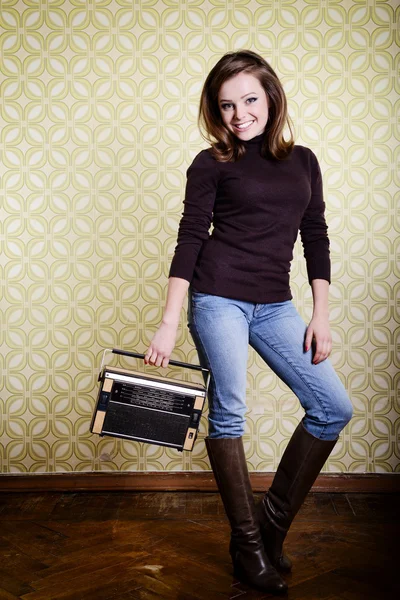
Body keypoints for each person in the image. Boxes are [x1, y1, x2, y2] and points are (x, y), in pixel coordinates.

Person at [144, 50, 353, 596]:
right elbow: (191, 238)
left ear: (272, 98)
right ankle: (247, 548)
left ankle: (269, 531)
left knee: (333, 407)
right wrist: (169, 321)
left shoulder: (304, 161)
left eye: (250, 100)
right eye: (227, 105)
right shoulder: (211, 162)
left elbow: (316, 236)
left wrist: (321, 315)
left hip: (276, 304)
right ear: (217, 112)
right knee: (231, 411)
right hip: (217, 298)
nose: (240, 115)